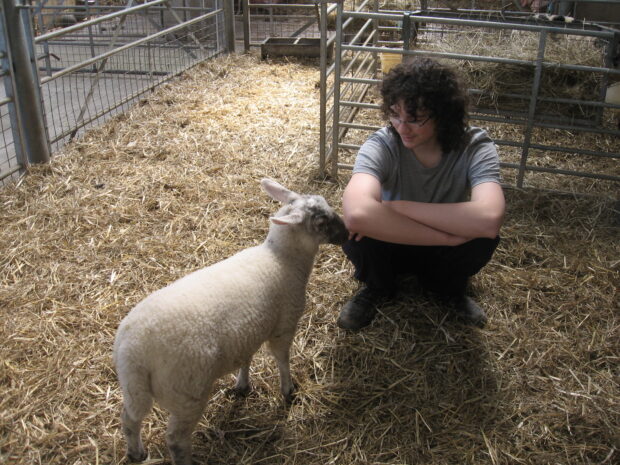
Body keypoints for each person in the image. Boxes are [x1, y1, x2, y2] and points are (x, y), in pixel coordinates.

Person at [338, 57, 505, 331]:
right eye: (395, 114)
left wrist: (397, 206)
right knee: (353, 232)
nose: (402, 127)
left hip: (436, 247)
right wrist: (447, 238)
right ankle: (378, 287)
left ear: (444, 113)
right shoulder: (383, 143)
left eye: (415, 119)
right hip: (398, 239)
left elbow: (489, 217)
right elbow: (357, 212)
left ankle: (448, 290)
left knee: (483, 239)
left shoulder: (475, 145)